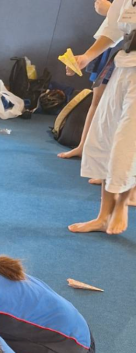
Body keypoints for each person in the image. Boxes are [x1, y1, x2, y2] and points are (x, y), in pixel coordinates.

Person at [68, 0, 136, 235]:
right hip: (124, 65)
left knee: (128, 140)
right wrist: (87, 57)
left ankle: (122, 203)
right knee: (105, 133)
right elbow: (113, 27)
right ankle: (103, 216)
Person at [58, 0, 115, 160]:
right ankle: (83, 146)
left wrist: (111, 10)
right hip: (112, 47)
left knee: (123, 109)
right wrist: (86, 57)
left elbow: (125, 22)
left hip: (128, 53)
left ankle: (110, 159)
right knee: (96, 101)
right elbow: (112, 30)